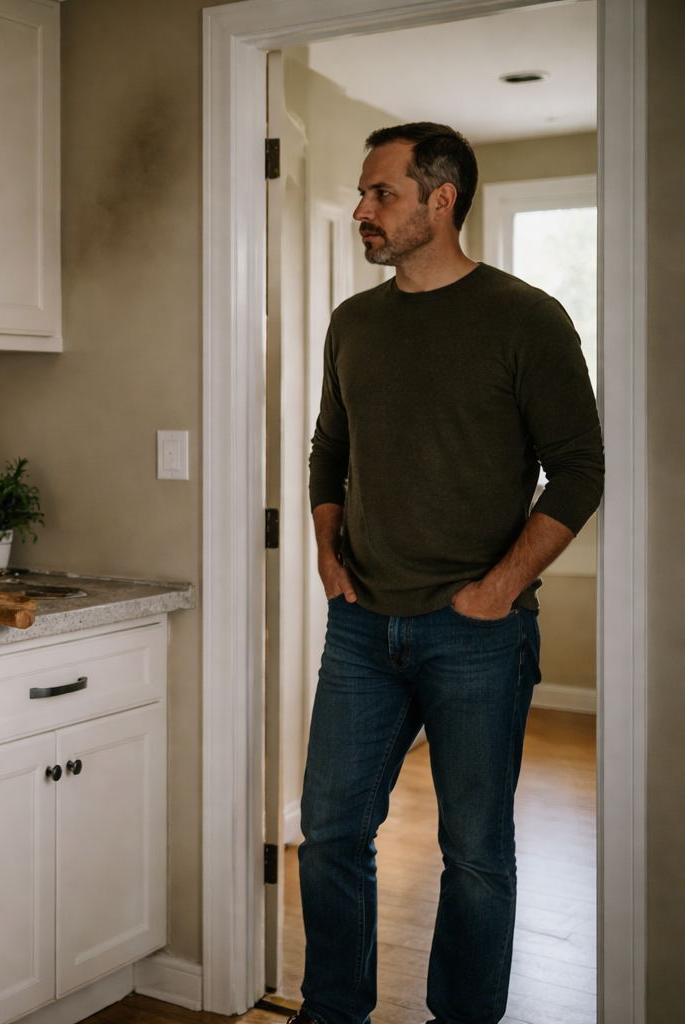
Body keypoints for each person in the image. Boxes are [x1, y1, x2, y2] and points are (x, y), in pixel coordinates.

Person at [294, 122, 603, 1024]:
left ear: (442, 199)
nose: (362, 210)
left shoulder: (526, 318)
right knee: (331, 835)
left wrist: (500, 588)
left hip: (477, 633)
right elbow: (329, 451)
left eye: (381, 192)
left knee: (474, 851)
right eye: (362, 192)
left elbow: (580, 469)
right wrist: (324, 547)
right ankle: (331, 1011)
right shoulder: (354, 322)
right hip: (361, 627)